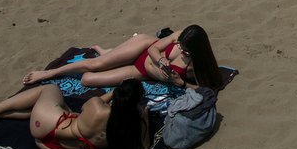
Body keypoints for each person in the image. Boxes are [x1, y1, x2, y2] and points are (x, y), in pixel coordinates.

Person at [0, 80, 148, 149]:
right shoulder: (129, 126)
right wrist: (145, 120)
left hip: (48, 126)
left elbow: (86, 107)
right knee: (63, 109)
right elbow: (143, 148)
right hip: (55, 147)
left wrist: (114, 92)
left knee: (50, 90)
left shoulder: (97, 108)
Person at [21, 26, 224, 91]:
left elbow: (207, 90)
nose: (180, 49)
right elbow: (155, 48)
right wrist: (162, 61)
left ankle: (108, 52)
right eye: (179, 44)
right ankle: (48, 73)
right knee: (96, 64)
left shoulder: (196, 67)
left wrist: (181, 84)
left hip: (141, 72)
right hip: (143, 49)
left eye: (185, 51)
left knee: (88, 79)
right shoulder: (181, 36)